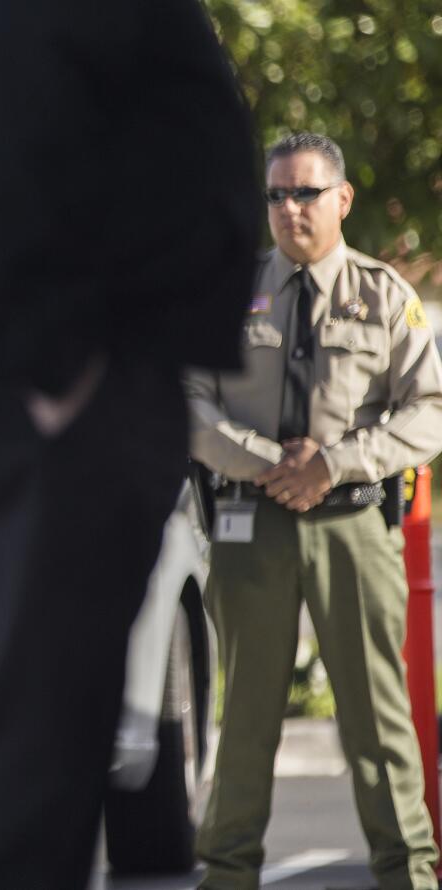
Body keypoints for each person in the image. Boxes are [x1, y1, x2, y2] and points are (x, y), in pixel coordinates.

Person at [0, 1, 261, 886]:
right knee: (19, 762)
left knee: (37, 749)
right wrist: (60, 369)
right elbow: (3, 103)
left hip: (39, 371)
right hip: (49, 384)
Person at [188, 133, 442, 890]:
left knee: (377, 723)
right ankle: (227, 876)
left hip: (351, 526)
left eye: (304, 193)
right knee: (247, 724)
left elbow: (428, 413)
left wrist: (333, 463)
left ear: (342, 199)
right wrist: (268, 465)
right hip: (251, 525)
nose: (288, 209)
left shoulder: (384, 295)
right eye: (276, 195)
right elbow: (190, 408)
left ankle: (409, 876)